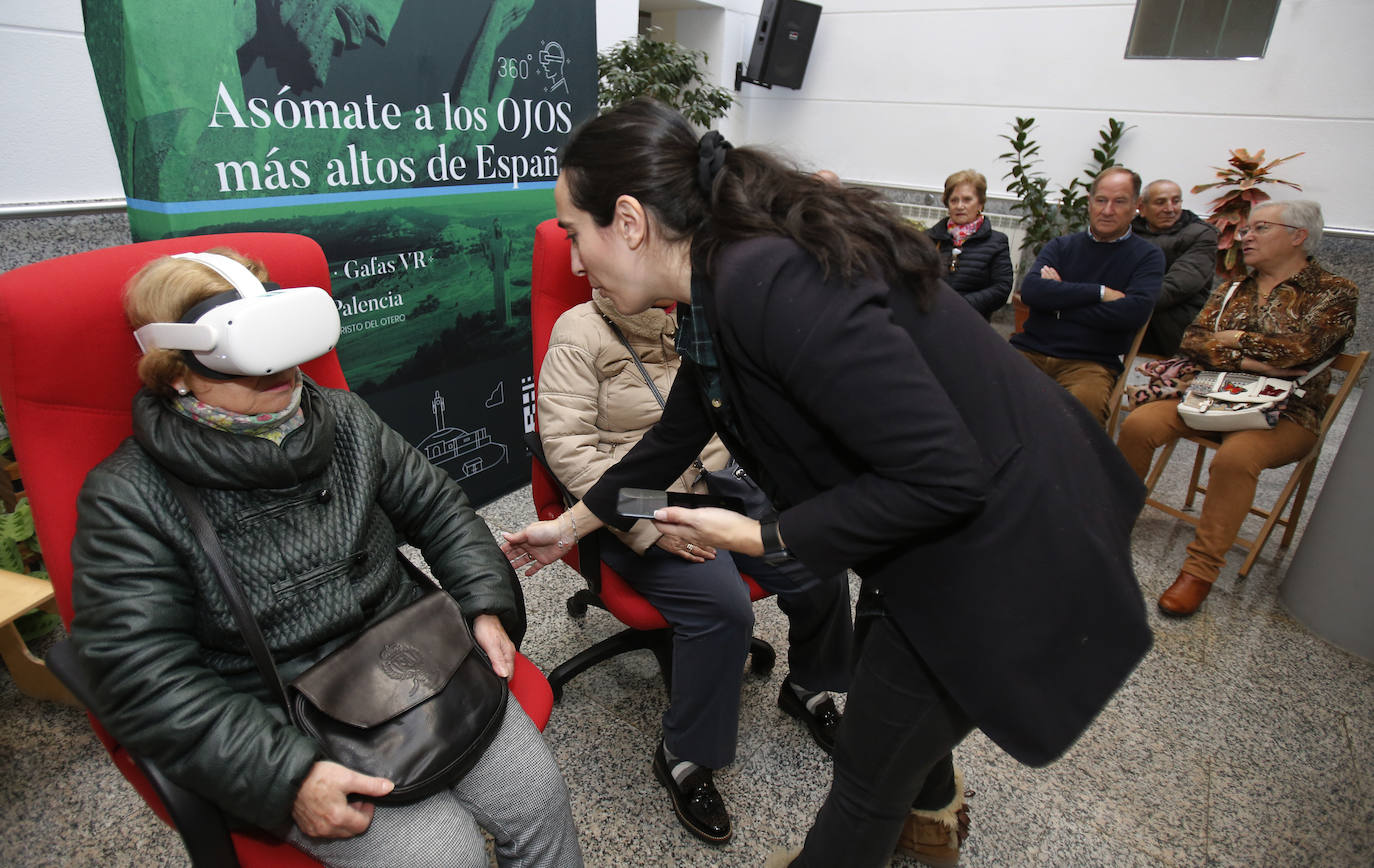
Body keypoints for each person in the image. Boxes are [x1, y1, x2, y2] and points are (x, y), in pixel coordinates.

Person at [500, 99, 1152, 868]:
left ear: (631, 221)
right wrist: (568, 529)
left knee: (865, 786)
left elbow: (945, 479)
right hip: (946, 531)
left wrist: (756, 534)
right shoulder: (723, 282)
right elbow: (670, 440)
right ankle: (932, 829)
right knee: (901, 736)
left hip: (1002, 544)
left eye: (576, 234)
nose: (575, 262)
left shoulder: (765, 283)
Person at [70, 250, 582, 868]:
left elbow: (439, 509)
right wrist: (287, 776)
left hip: (410, 653)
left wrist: (485, 606)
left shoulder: (339, 417)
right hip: (278, 713)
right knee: (445, 856)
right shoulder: (129, 495)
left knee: (538, 801)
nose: (282, 373)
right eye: (253, 363)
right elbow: (140, 675)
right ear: (176, 372)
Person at [537, 288, 853, 844]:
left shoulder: (688, 324)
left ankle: (809, 687)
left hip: (714, 487)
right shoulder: (576, 332)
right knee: (722, 605)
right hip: (628, 508)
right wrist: (648, 523)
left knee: (815, 555)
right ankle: (683, 754)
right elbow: (570, 454)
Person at [1118, 200, 1357, 617]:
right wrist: (1252, 361)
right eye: (1246, 229)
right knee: (1139, 424)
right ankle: (1112, 519)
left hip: (1287, 413)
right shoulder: (1234, 286)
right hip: (1211, 396)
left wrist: (1233, 340)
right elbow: (1192, 340)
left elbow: (1300, 352)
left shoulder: (1334, 292)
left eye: (1259, 228)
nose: (1245, 236)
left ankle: (1199, 570)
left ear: (1298, 236)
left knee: (1235, 459)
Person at [1010, 167, 1165, 423]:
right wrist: (1100, 292)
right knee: (982, 390)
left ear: (1136, 206)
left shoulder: (1147, 257)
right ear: (1090, 202)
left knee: (1081, 416)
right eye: (1101, 200)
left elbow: (1131, 313)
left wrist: (1059, 302)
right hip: (1029, 351)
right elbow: (1032, 292)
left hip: (1090, 363)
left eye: (1119, 202)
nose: (1107, 210)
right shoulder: (1061, 246)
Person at [1132, 179, 1219, 356]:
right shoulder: (1126, 232)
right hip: (1129, 323)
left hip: (1174, 331)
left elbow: (1179, 286)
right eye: (1160, 202)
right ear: (1142, 207)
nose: (1170, 209)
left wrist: (1125, 302)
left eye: (1176, 201)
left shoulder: (1202, 234)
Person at [925, 170, 1014, 320]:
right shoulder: (929, 238)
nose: (960, 206)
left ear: (980, 203)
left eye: (967, 200)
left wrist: (962, 305)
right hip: (930, 316)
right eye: (954, 200)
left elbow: (1001, 288)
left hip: (972, 320)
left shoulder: (997, 242)